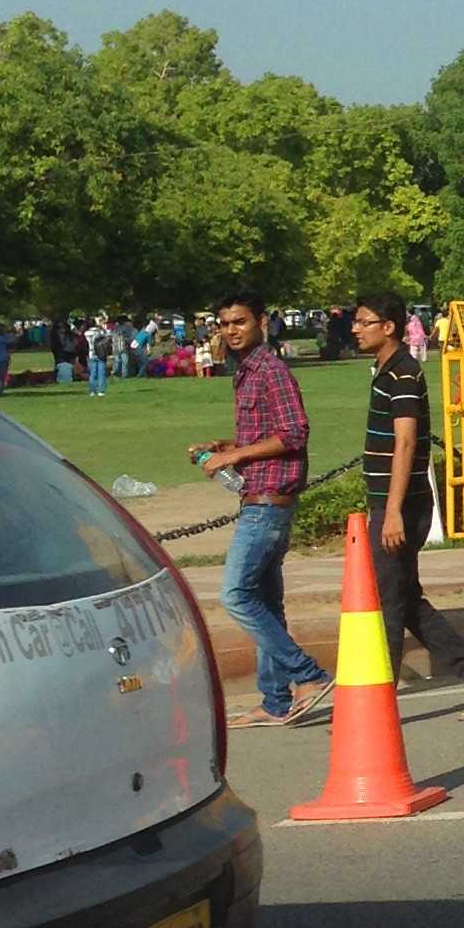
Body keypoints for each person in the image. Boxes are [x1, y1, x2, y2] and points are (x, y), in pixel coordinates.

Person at [351, 290, 464, 719]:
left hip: (400, 508)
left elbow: (405, 442)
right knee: (405, 600)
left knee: (387, 606)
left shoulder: (403, 373)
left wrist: (392, 512)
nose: (355, 329)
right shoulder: (387, 371)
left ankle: (374, 708)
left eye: (364, 322)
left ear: (388, 327)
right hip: (392, 505)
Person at [191, 289, 333, 728]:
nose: (231, 330)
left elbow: (294, 432)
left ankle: (308, 674)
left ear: (262, 322)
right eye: (225, 324)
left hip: (268, 503)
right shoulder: (246, 371)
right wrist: (227, 446)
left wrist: (235, 456)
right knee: (266, 602)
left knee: (235, 595)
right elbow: (266, 435)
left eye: (240, 321)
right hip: (260, 498)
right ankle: (275, 701)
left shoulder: (271, 370)